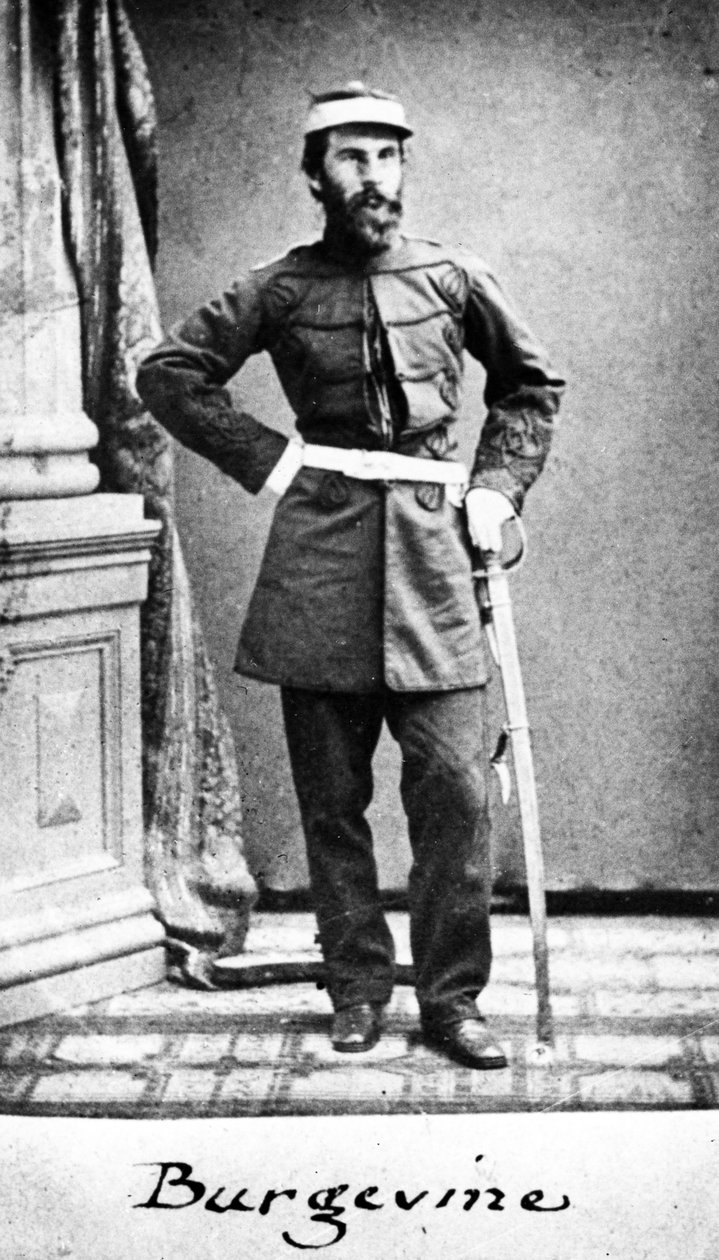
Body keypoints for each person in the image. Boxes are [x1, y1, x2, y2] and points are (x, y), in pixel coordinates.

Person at [136, 82, 564, 1070]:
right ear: (314, 175)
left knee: (454, 796)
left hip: (435, 559)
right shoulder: (279, 288)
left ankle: (451, 1001)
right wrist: (267, 459)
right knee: (331, 804)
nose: (374, 177)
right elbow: (168, 373)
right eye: (351, 157)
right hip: (318, 561)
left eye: (387, 155)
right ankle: (357, 989)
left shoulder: (454, 276)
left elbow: (529, 387)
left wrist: (495, 488)